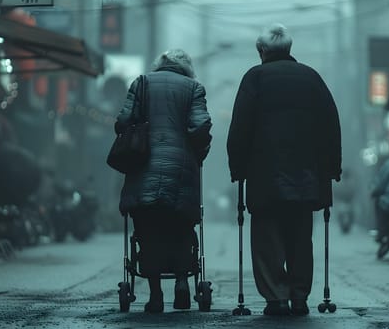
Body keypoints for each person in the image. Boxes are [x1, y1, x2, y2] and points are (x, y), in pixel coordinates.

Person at [227, 23, 342, 316]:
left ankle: (276, 297)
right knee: (301, 237)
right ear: (289, 50)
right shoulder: (311, 77)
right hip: (307, 175)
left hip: (264, 174)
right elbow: (331, 124)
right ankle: (300, 296)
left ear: (261, 51)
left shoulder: (254, 78)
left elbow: (240, 126)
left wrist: (237, 166)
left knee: (267, 238)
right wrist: (332, 166)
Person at [116, 49, 212, 313]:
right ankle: (182, 283)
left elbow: (124, 120)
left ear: (160, 65)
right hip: (181, 170)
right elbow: (200, 126)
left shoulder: (142, 82)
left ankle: (155, 295)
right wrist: (197, 153)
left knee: (147, 231)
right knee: (181, 227)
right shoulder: (194, 88)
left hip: (143, 167)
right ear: (187, 68)